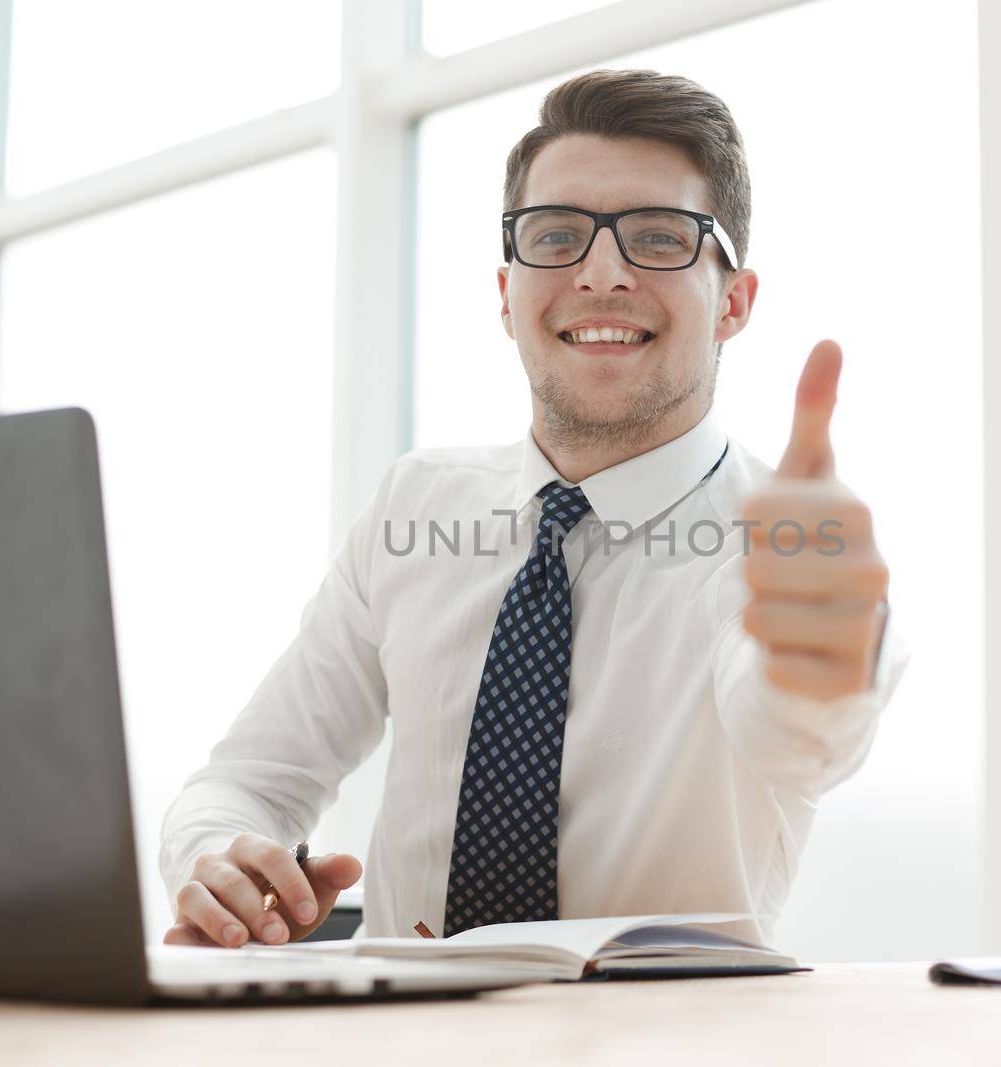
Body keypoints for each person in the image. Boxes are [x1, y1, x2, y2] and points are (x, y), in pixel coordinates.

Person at [159, 68, 907, 950]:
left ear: (733, 303)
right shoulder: (417, 504)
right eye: (556, 235)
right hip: (400, 1040)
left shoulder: (781, 546)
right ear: (507, 295)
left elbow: (797, 733)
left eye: (659, 238)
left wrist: (820, 666)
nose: (600, 274)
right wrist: (219, 857)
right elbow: (248, 777)